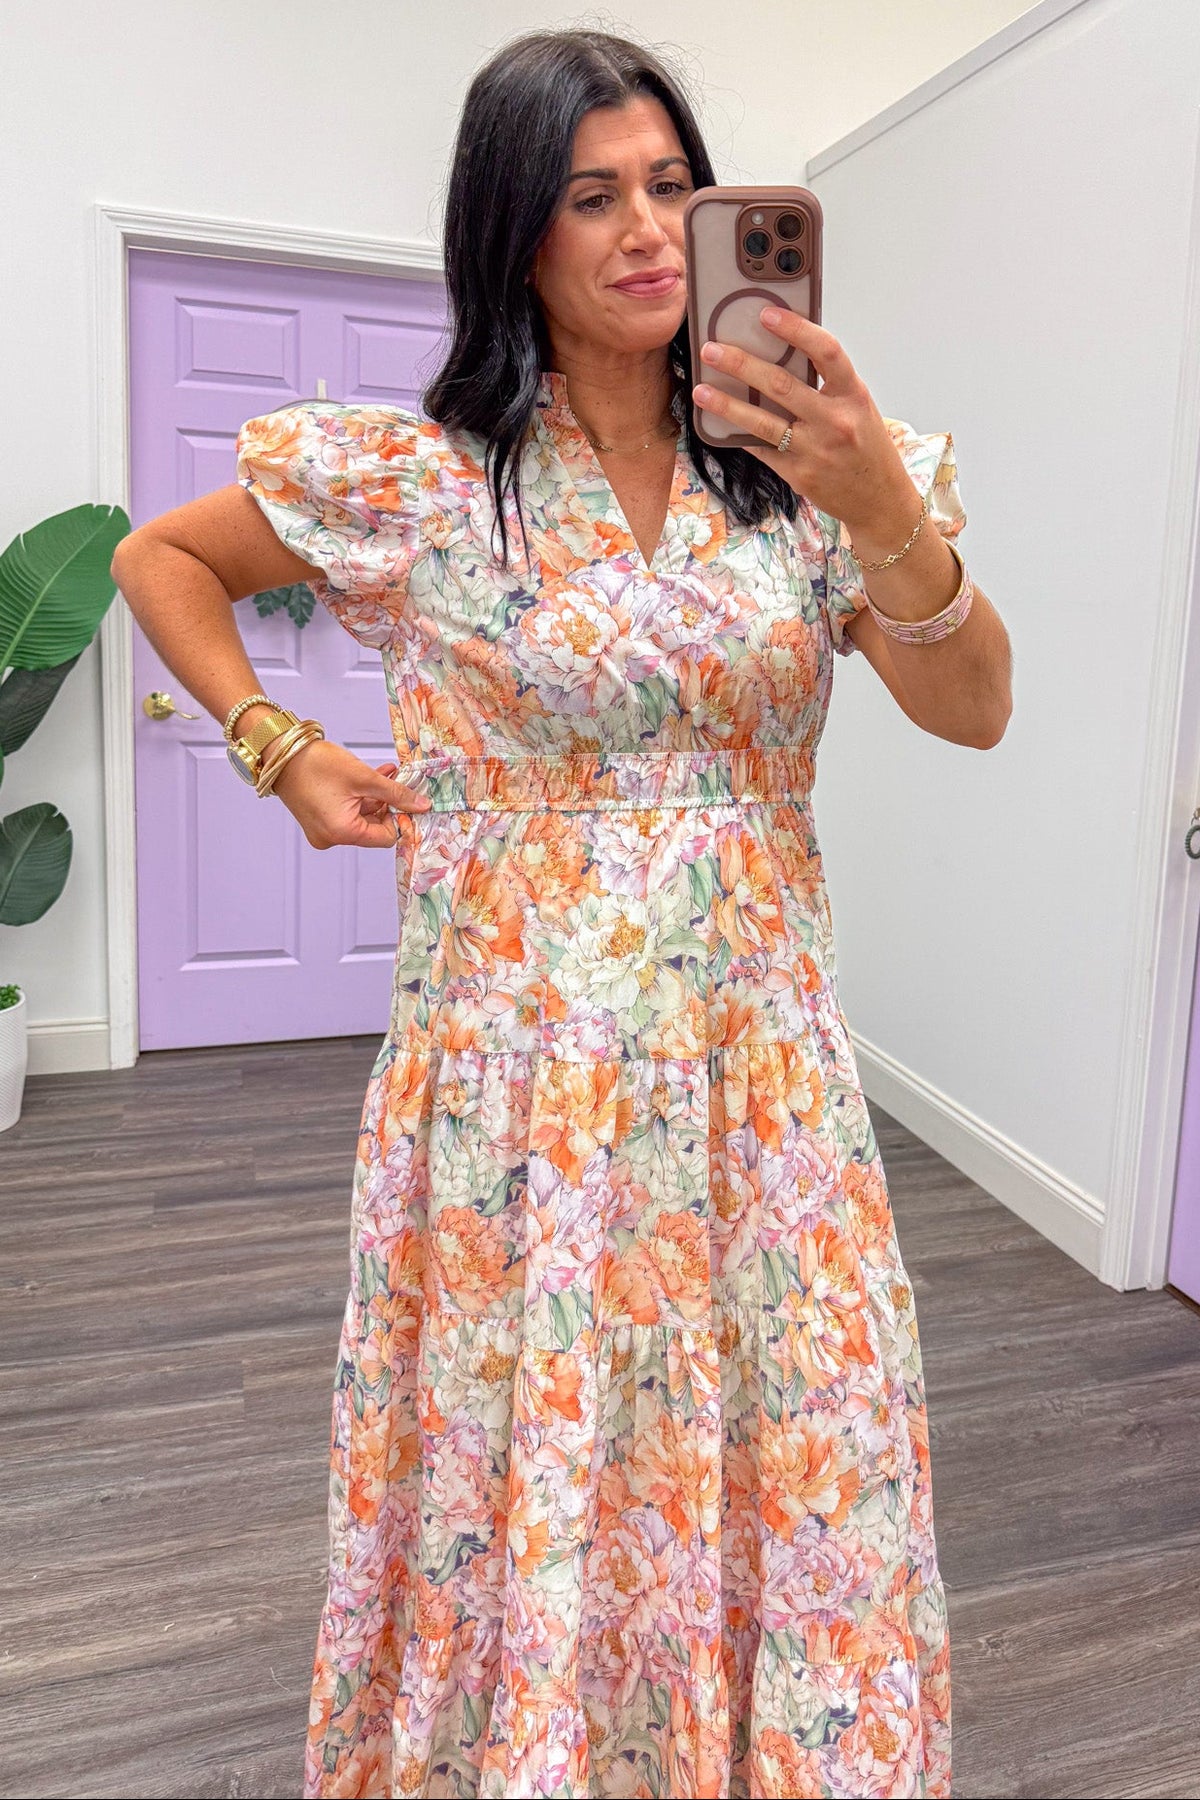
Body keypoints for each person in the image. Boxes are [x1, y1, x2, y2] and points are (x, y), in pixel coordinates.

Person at [113, 27, 1011, 1800]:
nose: (650, 230)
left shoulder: (817, 476)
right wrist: (280, 747)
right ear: (514, 235)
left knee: (786, 1438)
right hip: (512, 1088)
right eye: (593, 197)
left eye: (674, 186)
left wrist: (885, 509)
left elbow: (975, 706)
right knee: (523, 1454)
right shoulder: (427, 481)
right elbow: (165, 557)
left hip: (757, 1083)